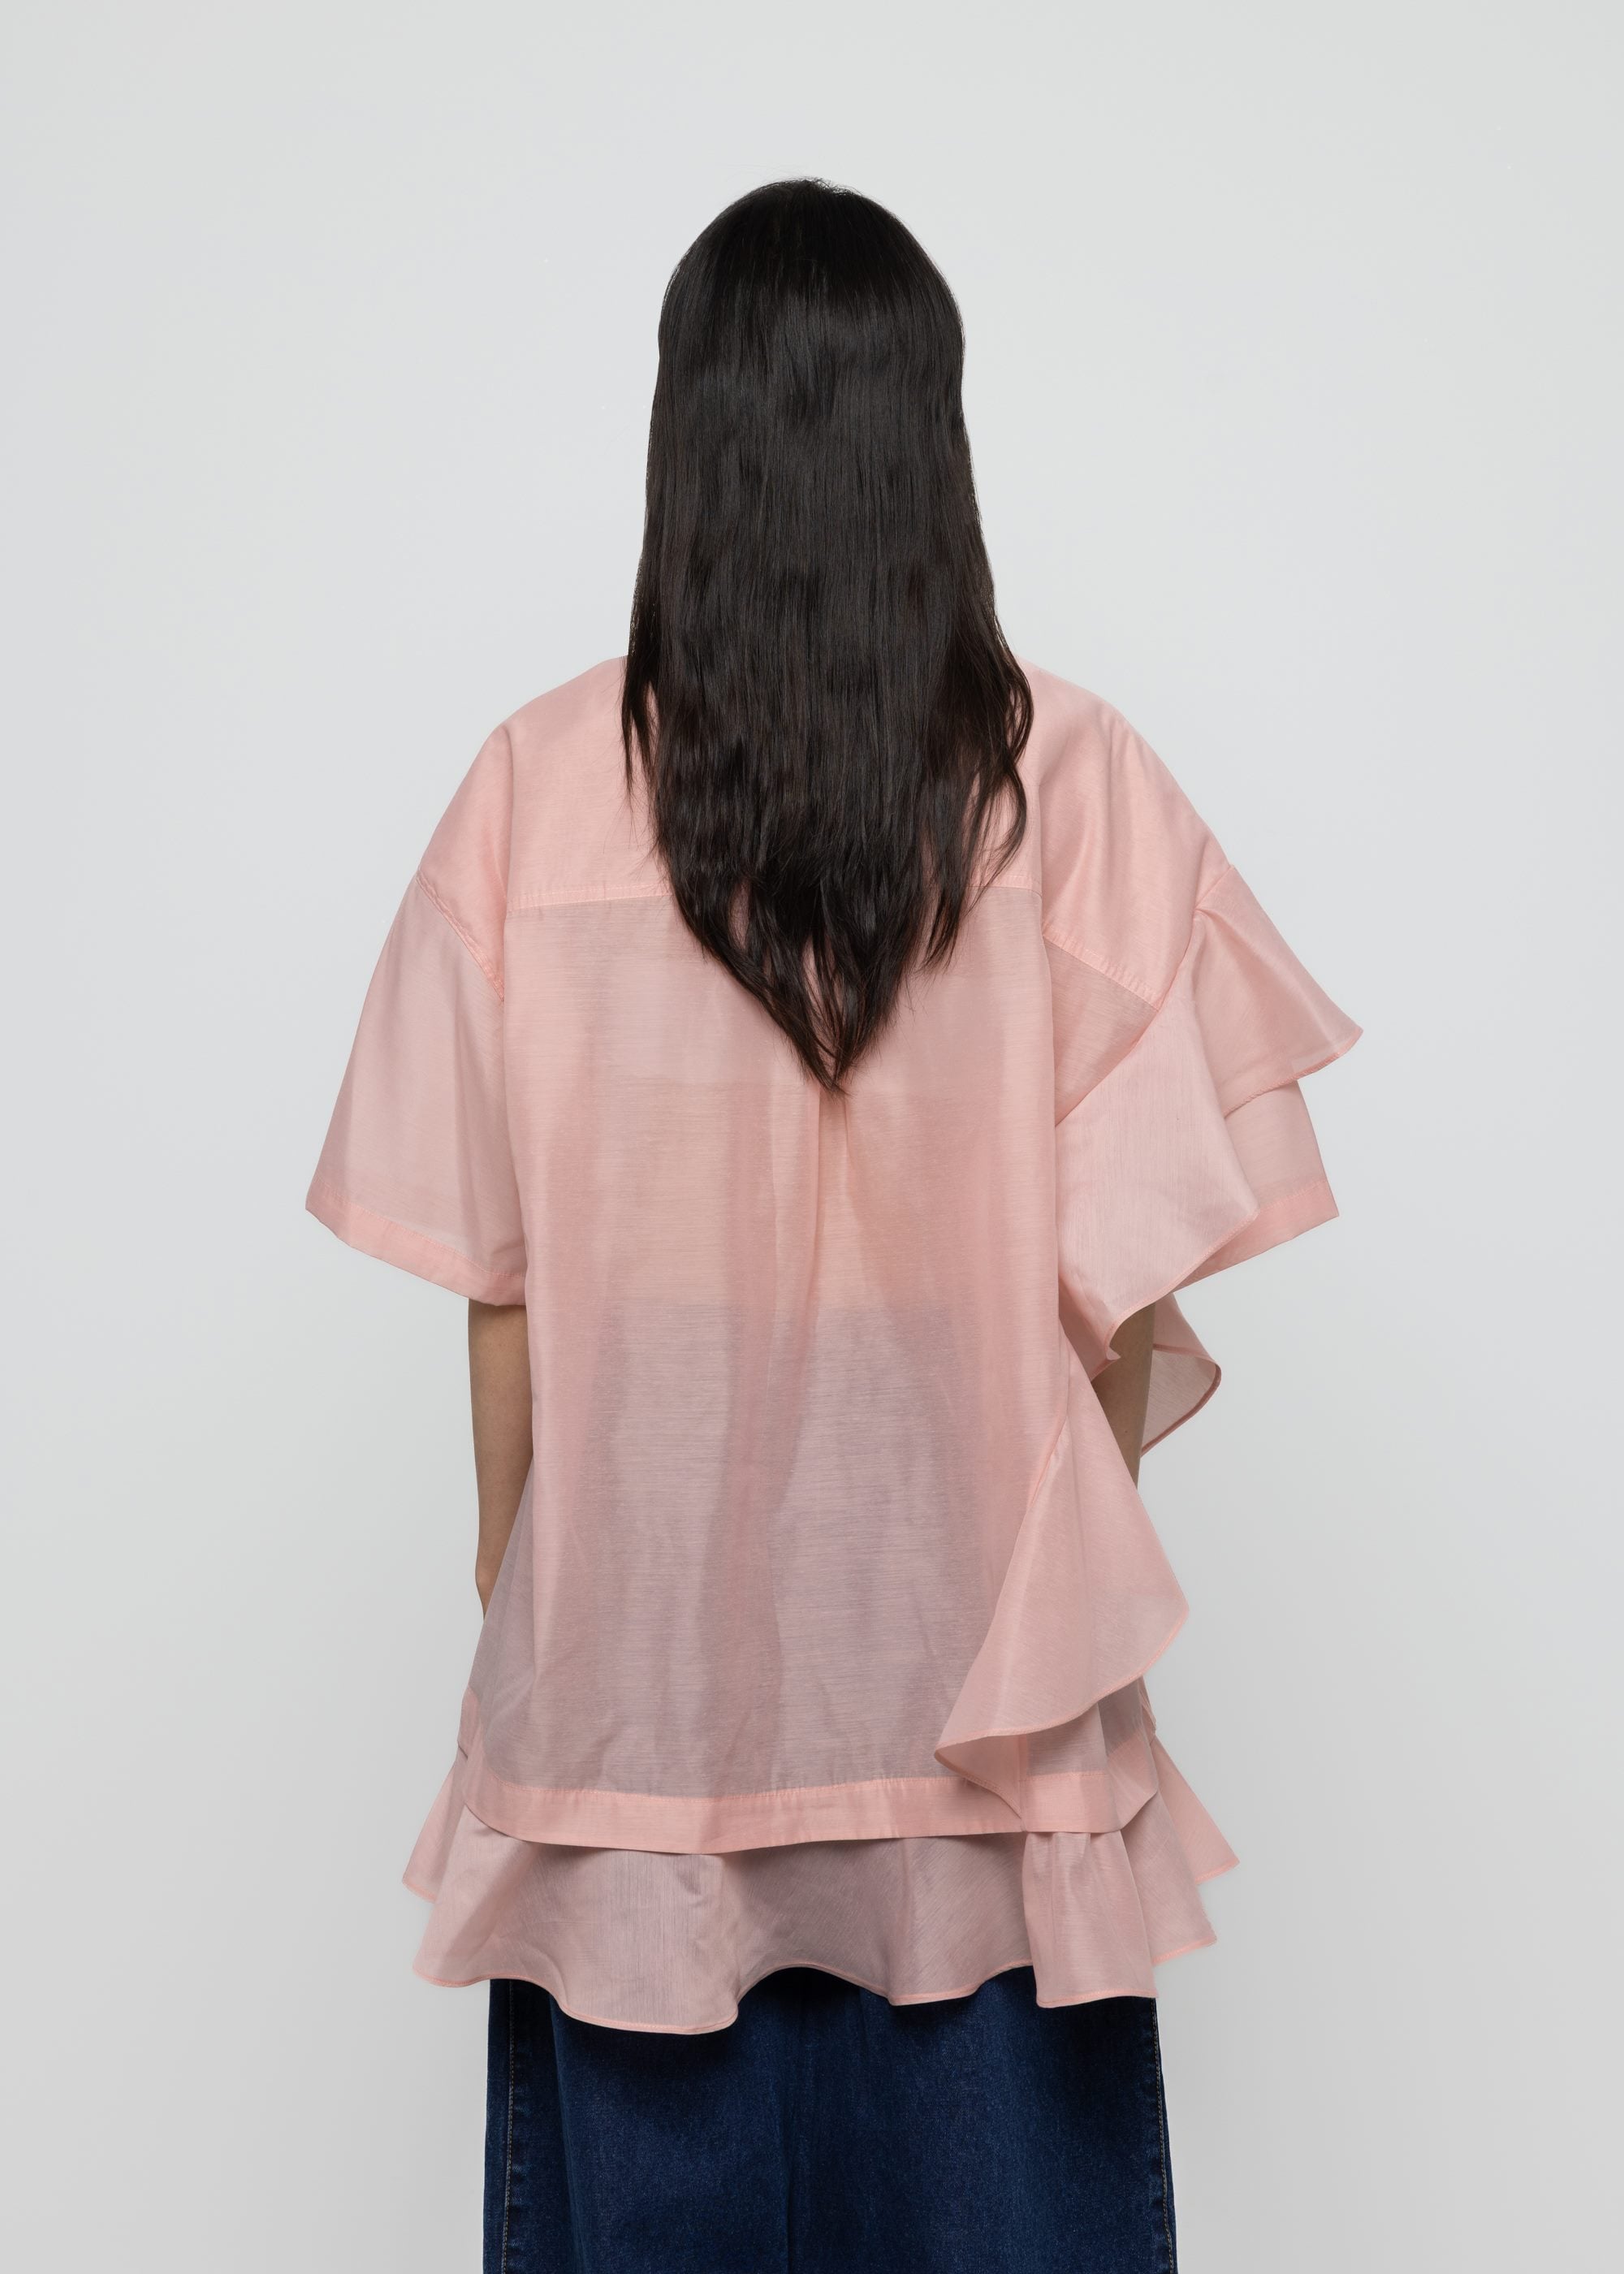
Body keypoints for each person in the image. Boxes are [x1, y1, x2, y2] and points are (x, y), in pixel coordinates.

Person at [308, 177, 1358, 2274]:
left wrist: (537, 1599)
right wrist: (1018, 1573)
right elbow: (1127, 1301)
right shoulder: (1077, 791)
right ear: (929, 443)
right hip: (985, 1713)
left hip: (635, 1718)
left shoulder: (532, 790)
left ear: (684, 439)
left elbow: (502, 1304)